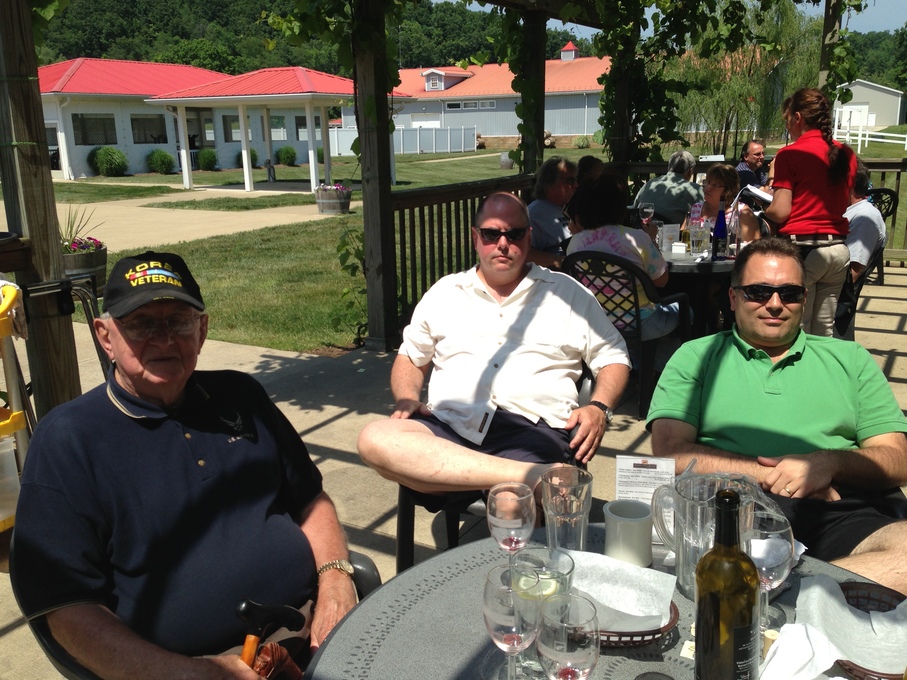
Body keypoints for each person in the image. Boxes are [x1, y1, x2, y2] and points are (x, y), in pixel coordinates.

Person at [14, 251, 357, 679]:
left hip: (317, 631)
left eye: (178, 321)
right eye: (141, 324)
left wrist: (336, 579)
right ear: (105, 336)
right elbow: (65, 608)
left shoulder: (242, 395)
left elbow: (310, 500)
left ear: (202, 329)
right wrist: (188, 673)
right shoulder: (68, 439)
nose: (163, 339)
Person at [647, 238, 907, 595]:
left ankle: (769, 595)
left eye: (789, 293)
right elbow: (669, 450)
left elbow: (897, 458)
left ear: (804, 298)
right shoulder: (697, 356)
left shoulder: (850, 359)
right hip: (730, 506)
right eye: (758, 292)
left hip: (833, 507)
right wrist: (774, 475)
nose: (774, 304)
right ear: (733, 298)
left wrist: (828, 463)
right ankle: (800, 597)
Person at [357, 192, 631, 510]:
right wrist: (407, 397)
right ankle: (533, 477)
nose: (502, 243)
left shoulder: (568, 293)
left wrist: (599, 407)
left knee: (510, 505)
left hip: (533, 431)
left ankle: (503, 480)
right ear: (475, 238)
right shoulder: (445, 292)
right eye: (491, 234)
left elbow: (613, 355)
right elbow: (411, 356)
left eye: (514, 234)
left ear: (528, 238)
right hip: (451, 424)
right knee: (375, 438)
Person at [764, 87, 857, 337]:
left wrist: (765, 206)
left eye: (787, 120)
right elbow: (843, 202)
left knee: (797, 329)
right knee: (824, 330)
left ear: (798, 118)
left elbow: (781, 211)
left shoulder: (790, 154)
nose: (787, 127)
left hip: (804, 250)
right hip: (838, 251)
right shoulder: (846, 154)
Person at [566, 171, 682, 354]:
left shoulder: (576, 243)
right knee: (686, 310)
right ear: (621, 206)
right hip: (642, 323)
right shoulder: (637, 239)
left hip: (596, 323)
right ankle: (658, 362)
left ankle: (641, 361)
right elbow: (662, 280)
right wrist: (651, 239)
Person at [683, 163, 762, 245]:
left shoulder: (742, 213)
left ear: (728, 190)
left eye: (715, 185)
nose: (708, 187)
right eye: (708, 182)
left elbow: (754, 247)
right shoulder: (696, 208)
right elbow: (683, 239)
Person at [527, 156, 579, 269]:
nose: (576, 185)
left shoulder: (563, 208)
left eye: (575, 180)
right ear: (549, 184)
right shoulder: (534, 214)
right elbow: (524, 253)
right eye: (570, 181)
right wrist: (561, 261)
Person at [634, 150, 704, 225]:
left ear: (669, 168)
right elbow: (704, 213)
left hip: (641, 228)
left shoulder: (650, 184)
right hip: (671, 231)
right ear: (690, 172)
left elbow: (634, 207)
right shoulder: (694, 190)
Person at [845, 160, 886, 282]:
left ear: (849, 185)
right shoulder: (851, 210)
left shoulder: (864, 218)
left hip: (832, 289)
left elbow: (853, 273)